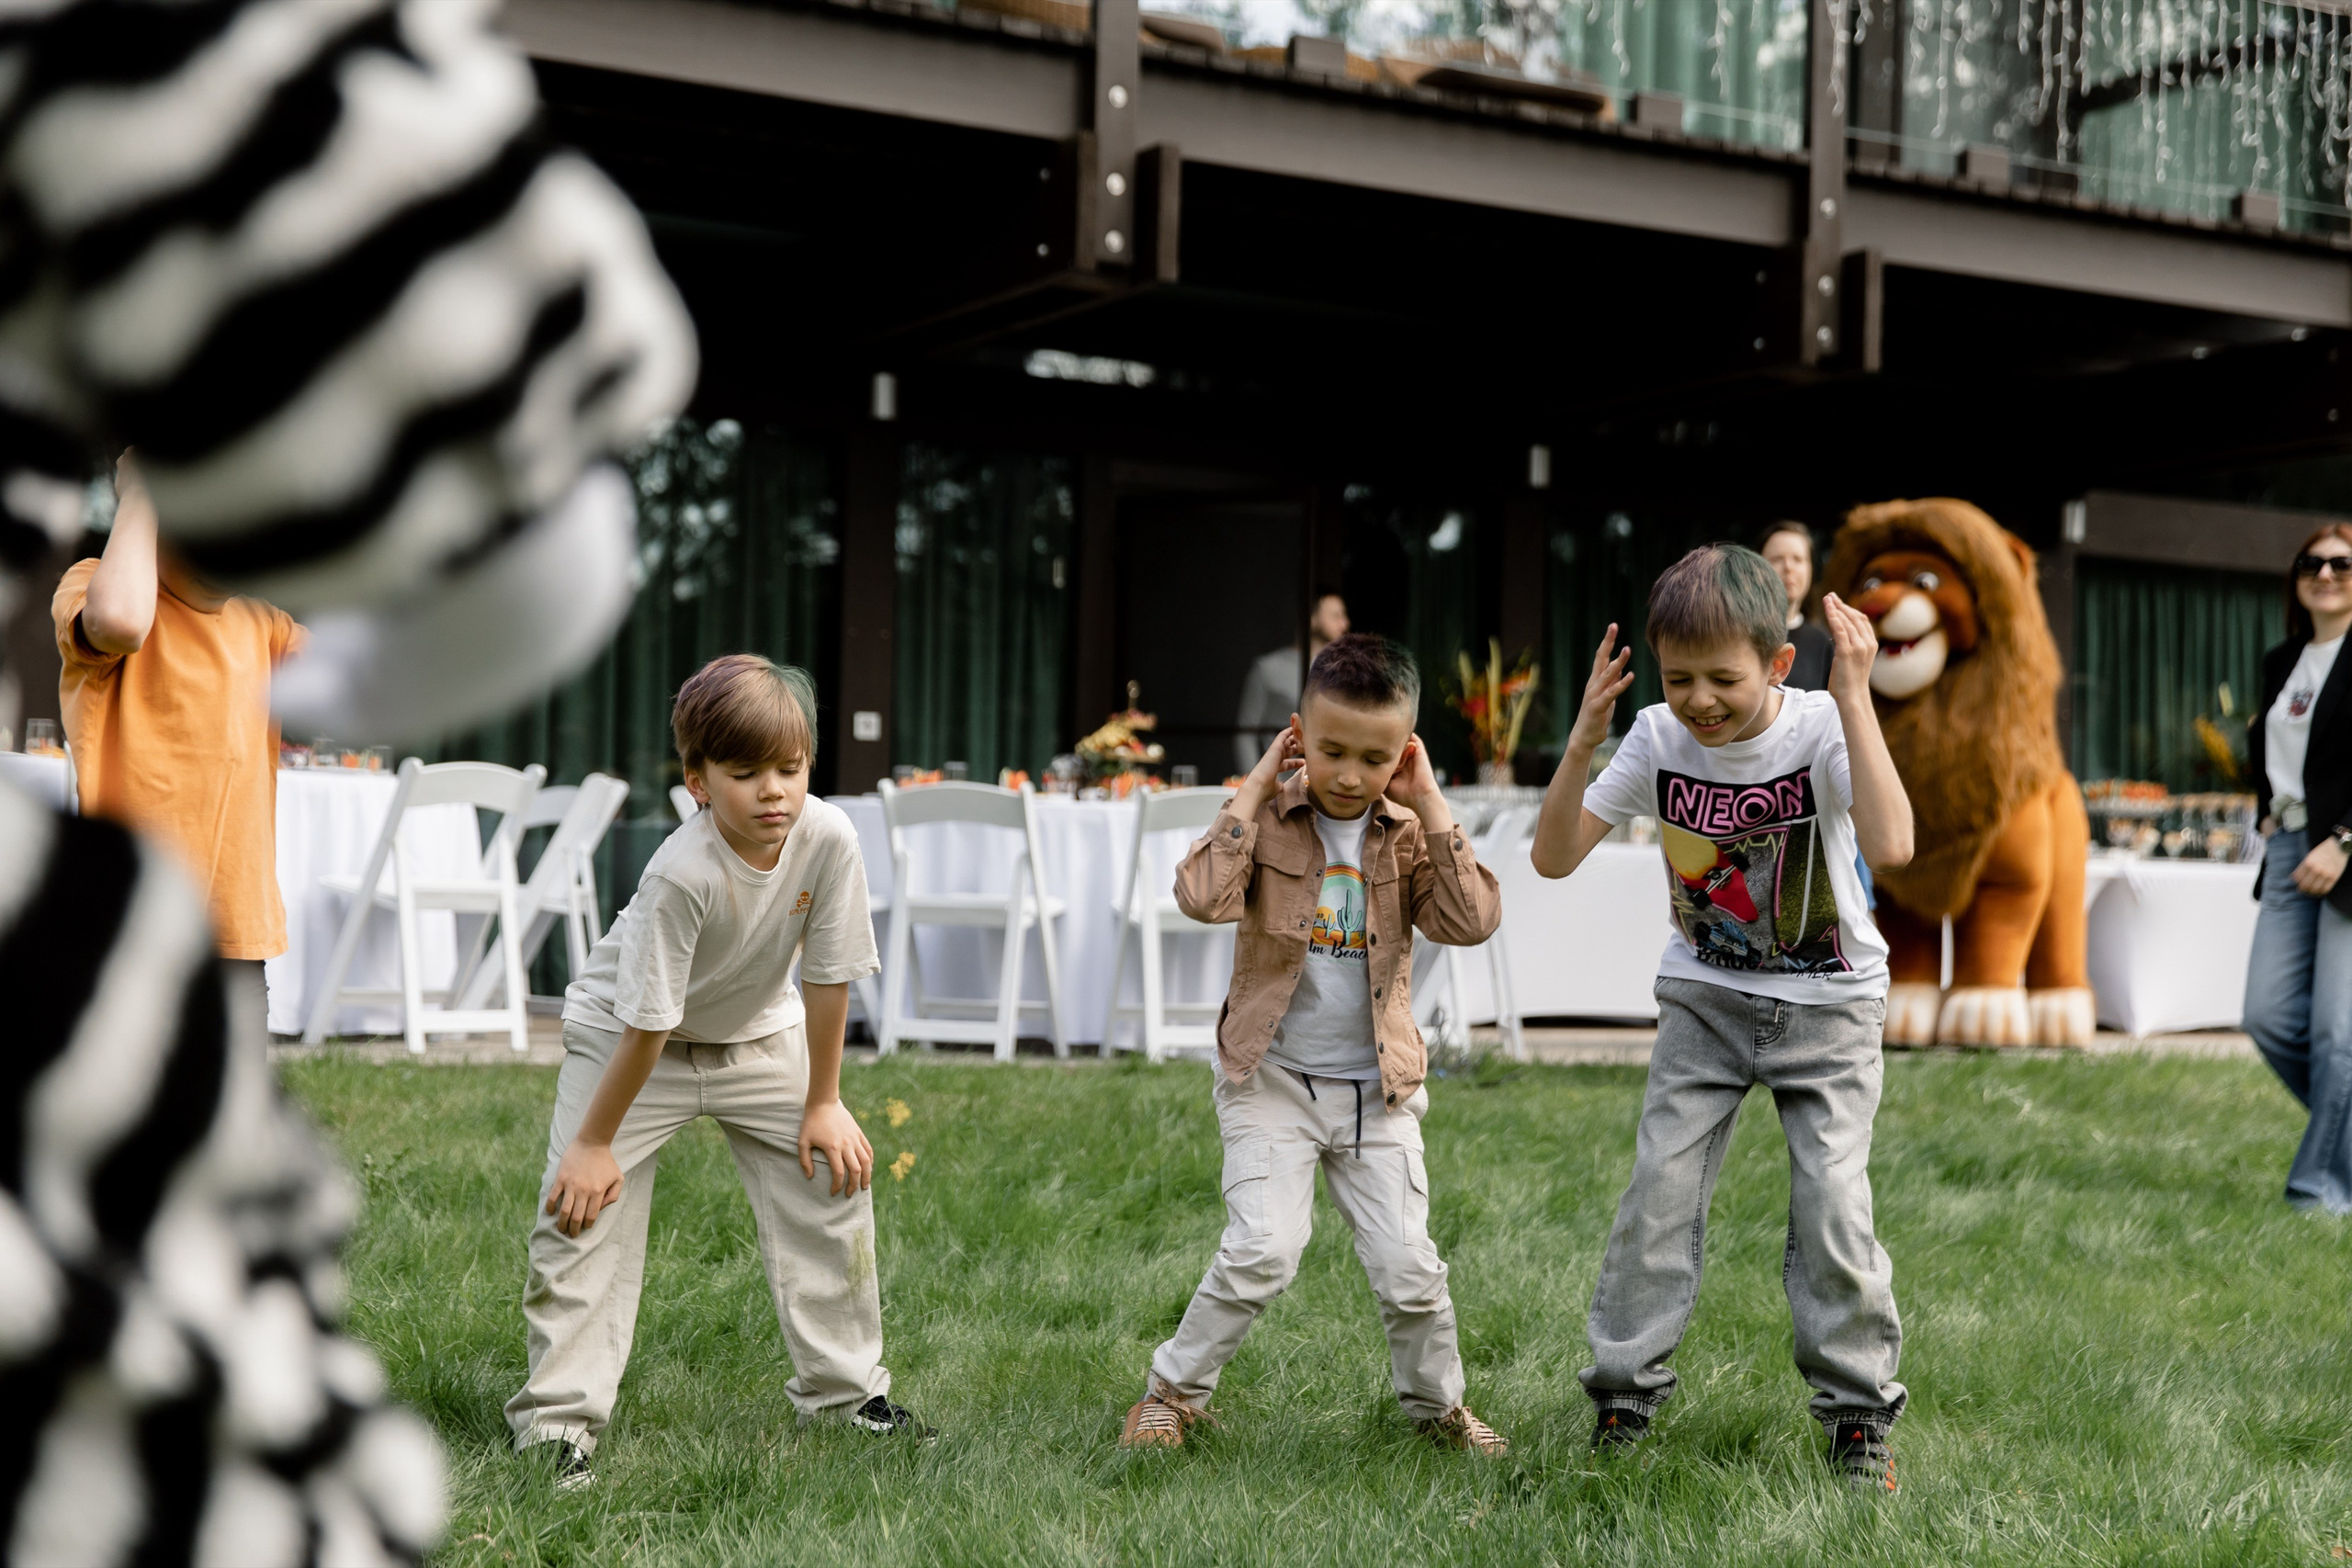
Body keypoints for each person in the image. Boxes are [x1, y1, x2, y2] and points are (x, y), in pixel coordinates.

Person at [1531, 544, 1914, 1490]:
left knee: (1832, 1205)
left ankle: (1858, 1417)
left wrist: (1858, 696)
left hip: (1829, 1008)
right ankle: (1622, 1397)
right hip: (1705, 1003)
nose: (1700, 700)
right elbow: (1552, 857)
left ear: (1779, 663)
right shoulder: (1657, 738)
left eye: (1724, 680)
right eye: (1679, 678)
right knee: (1657, 1194)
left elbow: (1894, 843)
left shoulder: (1823, 724)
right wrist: (1584, 740)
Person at [506, 655, 925, 1489]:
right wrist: (594, 1145)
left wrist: (824, 1100)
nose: (773, 790)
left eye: (790, 768)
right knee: (580, 1212)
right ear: (697, 781)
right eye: (745, 773)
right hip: (630, 1044)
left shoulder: (829, 839)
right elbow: (646, 1025)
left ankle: (848, 1397)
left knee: (832, 1178)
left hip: (755, 1033)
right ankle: (557, 1426)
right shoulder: (680, 874)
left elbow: (828, 975)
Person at [1125, 633, 1509, 1454]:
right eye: (1328, 750)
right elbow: (1199, 894)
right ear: (1299, 734)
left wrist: (1432, 800)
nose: (1347, 773)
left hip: (1378, 1089)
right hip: (1273, 1079)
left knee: (1411, 1270)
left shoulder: (1406, 832)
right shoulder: (1267, 817)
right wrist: (1261, 781)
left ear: (1402, 753)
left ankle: (1437, 1409)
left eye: (1373, 758)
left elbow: (1471, 919)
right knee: (1263, 1248)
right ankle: (1172, 1392)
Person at [53, 449, 302, 978]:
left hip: (231, 934)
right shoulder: (93, 584)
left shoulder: (265, 623)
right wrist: (142, 489)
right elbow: (119, 621)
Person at [2242, 524, 2352, 1212]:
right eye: (2312, 562)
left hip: (2344, 850)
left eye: (2343, 563)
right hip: (2288, 845)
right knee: (2267, 1015)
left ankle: (2320, 1189)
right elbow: (2277, 744)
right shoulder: (2282, 659)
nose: (2326, 572)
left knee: (2337, 1032)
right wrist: (2266, 807)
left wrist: (2342, 838)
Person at [1235, 587, 1351, 773]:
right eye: (1335, 616)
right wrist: (1254, 783)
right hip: (1280, 781)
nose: (1344, 624)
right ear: (1312, 619)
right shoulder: (1268, 668)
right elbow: (1245, 734)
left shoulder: (1344, 671)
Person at [1759, 522, 1834, 692]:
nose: (1788, 567)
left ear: (1811, 569)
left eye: (1798, 559)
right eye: (1777, 559)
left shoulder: (1823, 643)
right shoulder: (1739, 634)